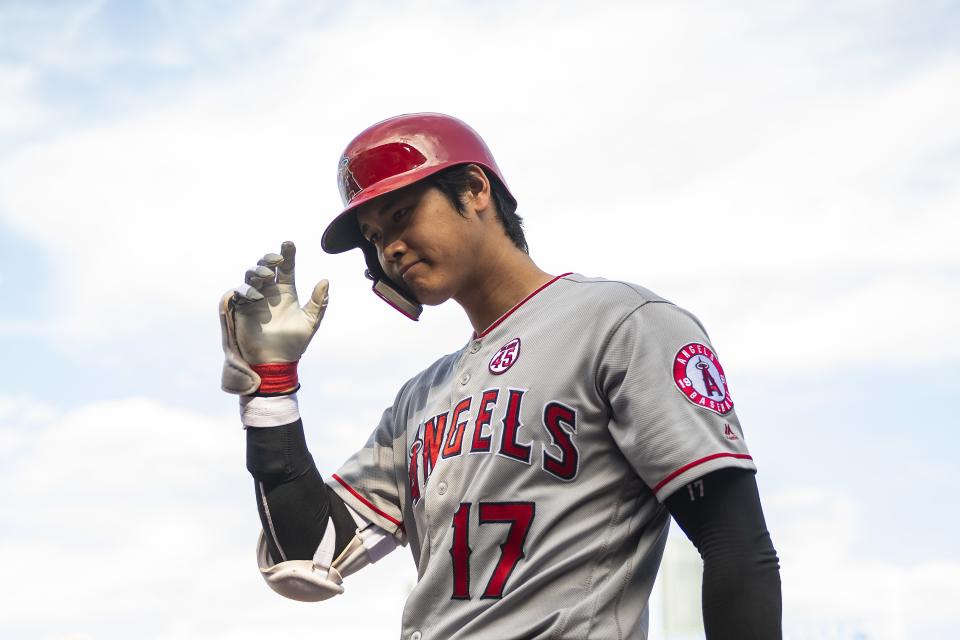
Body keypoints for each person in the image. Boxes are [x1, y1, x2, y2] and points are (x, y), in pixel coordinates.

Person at [218, 113, 782, 639]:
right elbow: (311, 549)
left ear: (475, 190)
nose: (387, 246)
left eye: (400, 214)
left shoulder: (622, 322)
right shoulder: (419, 399)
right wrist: (272, 387)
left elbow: (735, 544)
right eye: (372, 234)